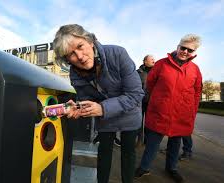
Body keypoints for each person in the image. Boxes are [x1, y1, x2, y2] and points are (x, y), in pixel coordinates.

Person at [53, 24, 144, 183]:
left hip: (129, 114)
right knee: (104, 153)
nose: (80, 56)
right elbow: (86, 99)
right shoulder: (74, 74)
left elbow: (135, 94)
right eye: (71, 55)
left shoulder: (118, 54)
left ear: (90, 41)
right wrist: (78, 109)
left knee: (128, 153)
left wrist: (102, 108)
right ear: (67, 60)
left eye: (80, 46)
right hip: (105, 119)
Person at [135, 34, 202, 183]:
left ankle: (171, 168)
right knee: (152, 143)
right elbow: (150, 84)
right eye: (183, 47)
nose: (185, 51)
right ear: (178, 47)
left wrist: (192, 111)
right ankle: (144, 167)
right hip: (160, 113)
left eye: (189, 50)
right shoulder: (161, 64)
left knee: (175, 144)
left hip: (181, 114)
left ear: (194, 53)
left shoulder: (195, 70)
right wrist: (158, 101)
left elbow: (197, 92)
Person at [136, 54, 155, 146]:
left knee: (149, 123)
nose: (154, 61)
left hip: (151, 102)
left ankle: (147, 142)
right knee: (139, 121)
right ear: (145, 61)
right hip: (140, 101)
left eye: (154, 59)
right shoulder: (137, 72)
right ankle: (138, 140)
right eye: (151, 59)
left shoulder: (156, 72)